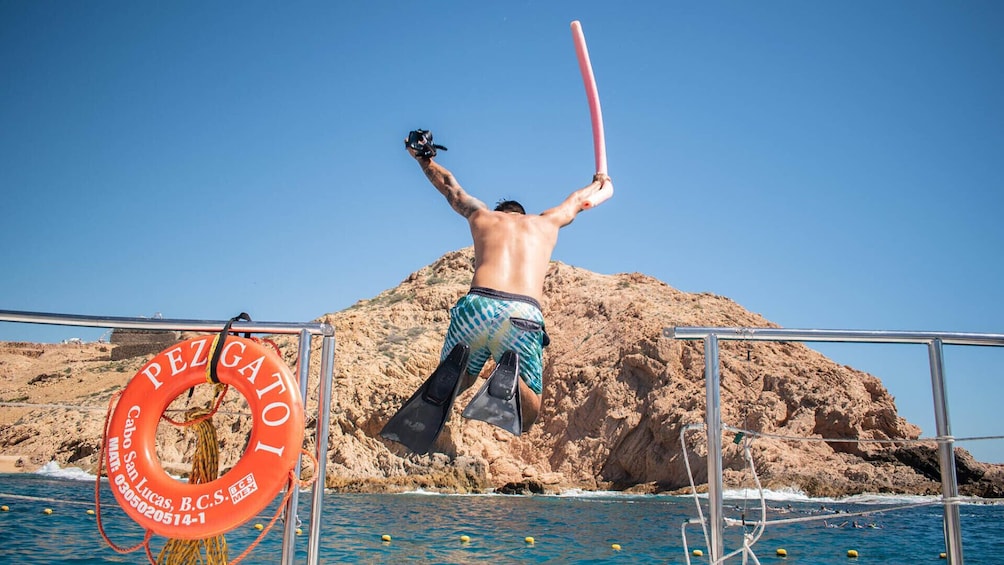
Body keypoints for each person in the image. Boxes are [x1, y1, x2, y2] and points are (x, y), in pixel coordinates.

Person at [380, 130, 613, 453]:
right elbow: (582, 200)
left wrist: (423, 158)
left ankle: (456, 379)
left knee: (461, 372)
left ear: (500, 212)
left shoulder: (482, 216)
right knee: (528, 415)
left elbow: (450, 188)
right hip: (522, 315)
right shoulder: (545, 223)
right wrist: (601, 181)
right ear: (522, 215)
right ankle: (511, 379)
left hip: (476, 306)